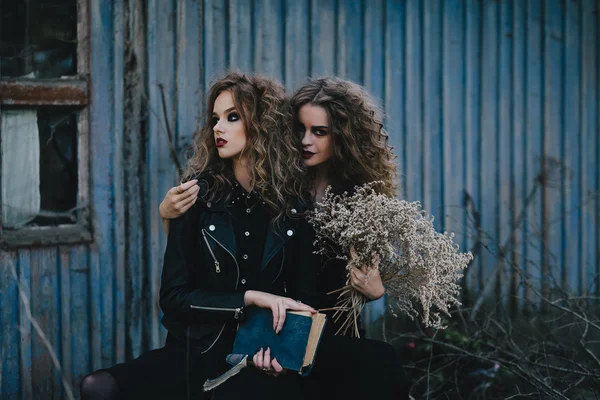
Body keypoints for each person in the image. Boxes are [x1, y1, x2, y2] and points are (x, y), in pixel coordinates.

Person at [160, 77, 410, 399]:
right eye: (300, 130)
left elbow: (359, 284)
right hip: (280, 327)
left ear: (346, 137)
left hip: (330, 330)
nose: (306, 140)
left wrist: (375, 290)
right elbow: (198, 263)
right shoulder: (281, 185)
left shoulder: (359, 198)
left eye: (319, 132)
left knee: (382, 362)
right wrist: (168, 215)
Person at [80, 71, 318, 400]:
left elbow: (304, 300)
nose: (218, 127)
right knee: (98, 386)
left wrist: (282, 353)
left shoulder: (294, 207)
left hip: (255, 354)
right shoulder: (196, 197)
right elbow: (174, 297)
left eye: (232, 117)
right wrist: (248, 299)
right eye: (215, 118)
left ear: (263, 123)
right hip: (195, 350)